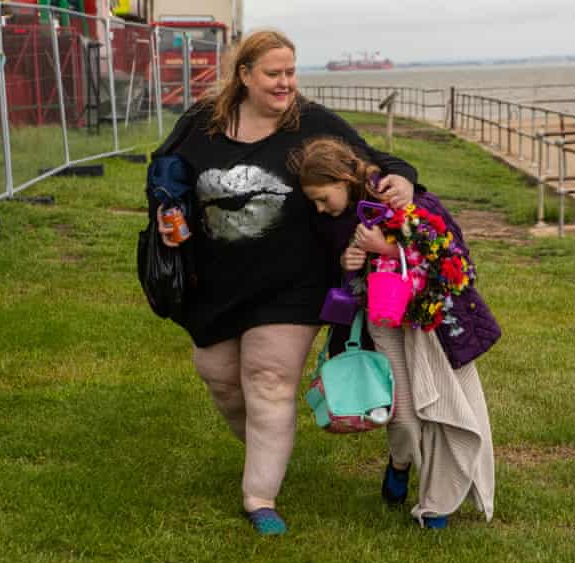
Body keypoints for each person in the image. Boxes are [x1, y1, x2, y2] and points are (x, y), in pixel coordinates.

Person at [150, 30, 419, 536]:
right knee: (222, 378)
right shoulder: (200, 124)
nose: (284, 83)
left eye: (290, 72)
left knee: (269, 380)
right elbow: (165, 172)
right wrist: (168, 209)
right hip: (215, 282)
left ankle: (260, 498)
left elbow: (370, 164)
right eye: (273, 74)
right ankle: (264, 451)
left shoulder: (311, 122)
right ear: (245, 75)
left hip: (292, 283)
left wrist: (402, 177)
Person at [290, 137, 498, 529]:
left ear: (342, 178)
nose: (320, 208)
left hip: (428, 325)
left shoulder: (400, 195)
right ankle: (400, 463)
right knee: (402, 418)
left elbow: (453, 258)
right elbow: (346, 283)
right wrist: (348, 263)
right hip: (382, 325)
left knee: (442, 410)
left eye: (321, 198)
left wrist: (386, 249)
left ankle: (437, 505)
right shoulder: (337, 219)